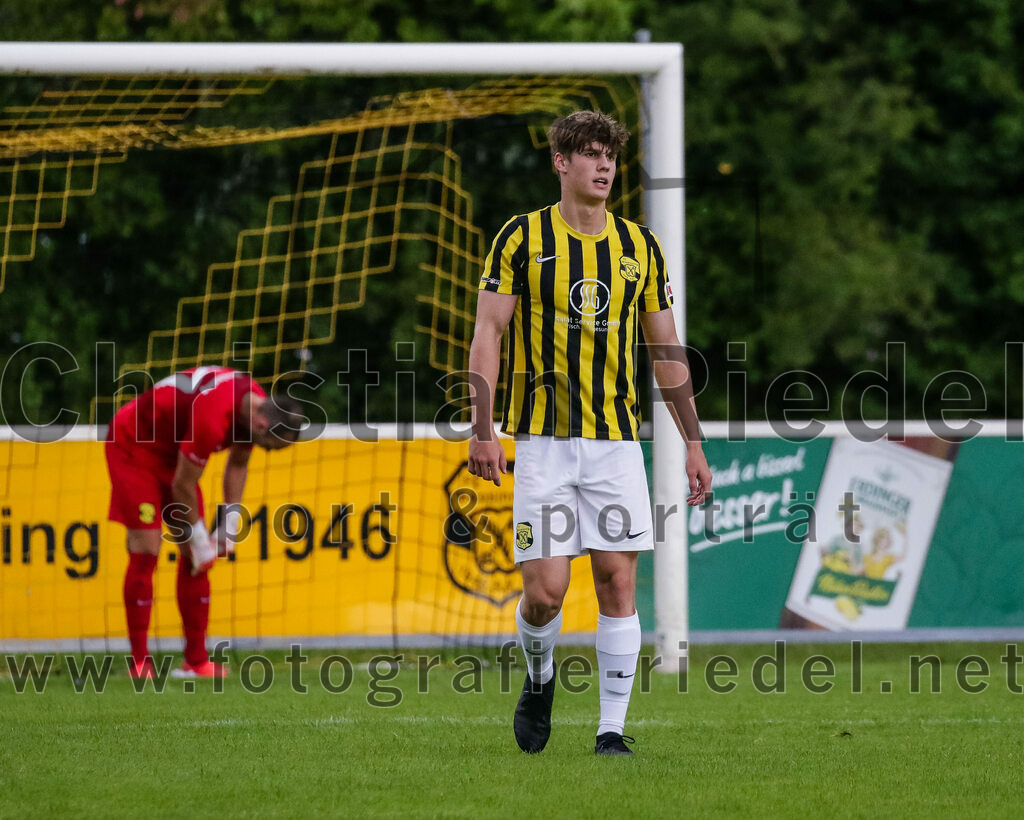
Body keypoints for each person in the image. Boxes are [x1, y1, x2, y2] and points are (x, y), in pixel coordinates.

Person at [468, 111, 711, 756]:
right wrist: (483, 427)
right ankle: (541, 676)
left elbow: (666, 348)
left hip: (615, 444)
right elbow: (488, 331)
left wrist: (692, 439)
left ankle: (610, 731)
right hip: (544, 442)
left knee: (617, 580)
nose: (604, 167)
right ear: (561, 163)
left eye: (611, 157)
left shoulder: (639, 248)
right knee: (546, 593)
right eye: (591, 155)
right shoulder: (521, 238)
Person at [105, 366, 302, 679]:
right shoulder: (214, 417)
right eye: (271, 447)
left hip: (174, 456)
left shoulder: (254, 407)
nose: (267, 452)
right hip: (135, 448)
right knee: (148, 550)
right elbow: (183, 485)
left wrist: (229, 525)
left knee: (198, 562)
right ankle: (140, 663)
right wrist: (199, 537)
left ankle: (196, 661)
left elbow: (238, 462)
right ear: (262, 425)